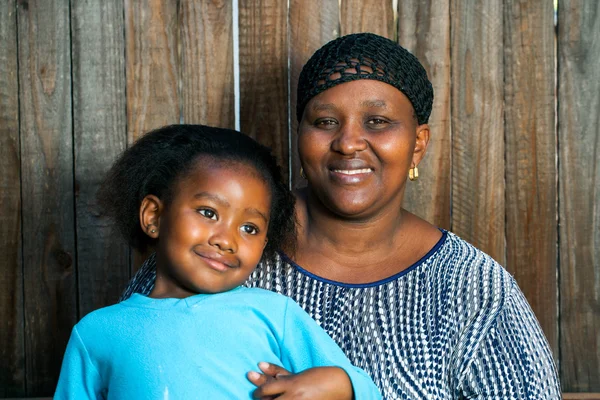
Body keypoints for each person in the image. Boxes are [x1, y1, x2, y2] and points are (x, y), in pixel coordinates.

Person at [122, 33, 561, 399]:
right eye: (326, 122)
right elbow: (132, 361)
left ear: (419, 143)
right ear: (301, 135)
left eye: (378, 121)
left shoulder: (471, 288)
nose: (348, 143)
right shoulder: (221, 247)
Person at [54, 124, 382, 399]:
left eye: (249, 228)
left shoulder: (272, 314)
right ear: (154, 216)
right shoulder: (96, 334)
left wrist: (341, 385)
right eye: (209, 213)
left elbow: (367, 391)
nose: (227, 240)